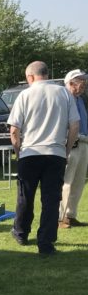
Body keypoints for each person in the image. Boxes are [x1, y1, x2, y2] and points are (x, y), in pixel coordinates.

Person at [8, 61, 79, 255]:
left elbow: (14, 130)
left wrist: (18, 150)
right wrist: (66, 149)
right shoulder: (64, 93)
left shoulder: (24, 94)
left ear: (30, 77)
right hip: (55, 153)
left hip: (30, 152)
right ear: (47, 74)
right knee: (51, 200)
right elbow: (75, 125)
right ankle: (46, 243)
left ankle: (21, 233)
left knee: (25, 196)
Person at [59, 69, 88, 228]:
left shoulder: (80, 99)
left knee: (78, 182)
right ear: (70, 83)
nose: (84, 84)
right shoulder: (64, 99)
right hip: (72, 144)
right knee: (67, 182)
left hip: (83, 143)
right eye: (80, 81)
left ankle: (70, 215)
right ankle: (60, 217)